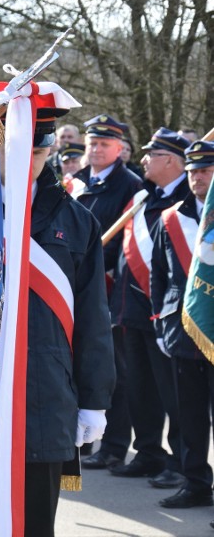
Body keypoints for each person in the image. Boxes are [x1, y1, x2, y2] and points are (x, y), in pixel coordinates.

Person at [15, 109, 115, 536]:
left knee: (37, 523)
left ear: (49, 149)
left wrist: (94, 398)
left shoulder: (76, 220)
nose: (28, 157)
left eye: (37, 149)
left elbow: (93, 317)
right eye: (18, 147)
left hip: (47, 395)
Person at [107, 128, 190, 486]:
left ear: (170, 160)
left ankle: (182, 463)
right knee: (140, 389)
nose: (142, 160)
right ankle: (148, 452)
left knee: (173, 395)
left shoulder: (187, 200)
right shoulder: (144, 199)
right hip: (132, 311)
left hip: (165, 315)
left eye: (150, 154)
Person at [74, 114, 143, 472]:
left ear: (119, 149)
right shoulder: (76, 182)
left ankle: (115, 444)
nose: (97, 149)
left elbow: (129, 242)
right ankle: (84, 439)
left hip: (107, 289)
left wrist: (101, 268)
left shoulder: (129, 186)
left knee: (111, 369)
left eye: (104, 144)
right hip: (74, 288)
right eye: (92, 143)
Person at [150, 140, 214, 512]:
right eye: (191, 171)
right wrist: (160, 321)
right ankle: (195, 483)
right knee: (188, 414)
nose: (196, 178)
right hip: (182, 329)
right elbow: (160, 275)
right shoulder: (171, 217)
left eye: (205, 170)